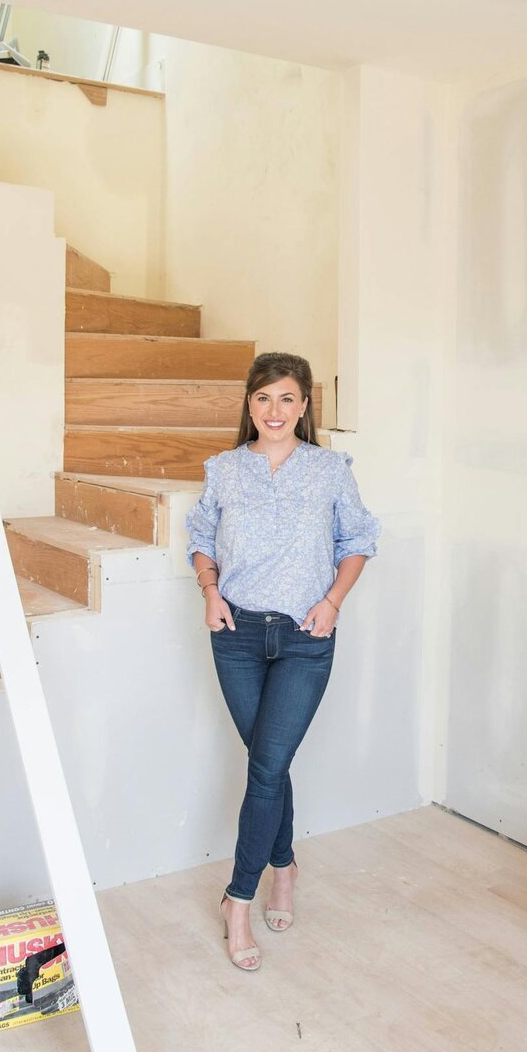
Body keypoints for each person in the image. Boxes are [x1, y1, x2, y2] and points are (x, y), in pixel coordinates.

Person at [185, 351, 380, 971]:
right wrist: (210, 592)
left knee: (267, 768)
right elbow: (200, 540)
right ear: (250, 404)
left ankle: (237, 899)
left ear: (304, 406)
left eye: (288, 399)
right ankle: (285, 865)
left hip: (304, 638)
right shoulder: (222, 470)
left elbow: (358, 542)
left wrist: (332, 602)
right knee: (270, 764)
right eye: (264, 398)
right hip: (236, 636)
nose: (276, 410)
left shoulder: (329, 470)